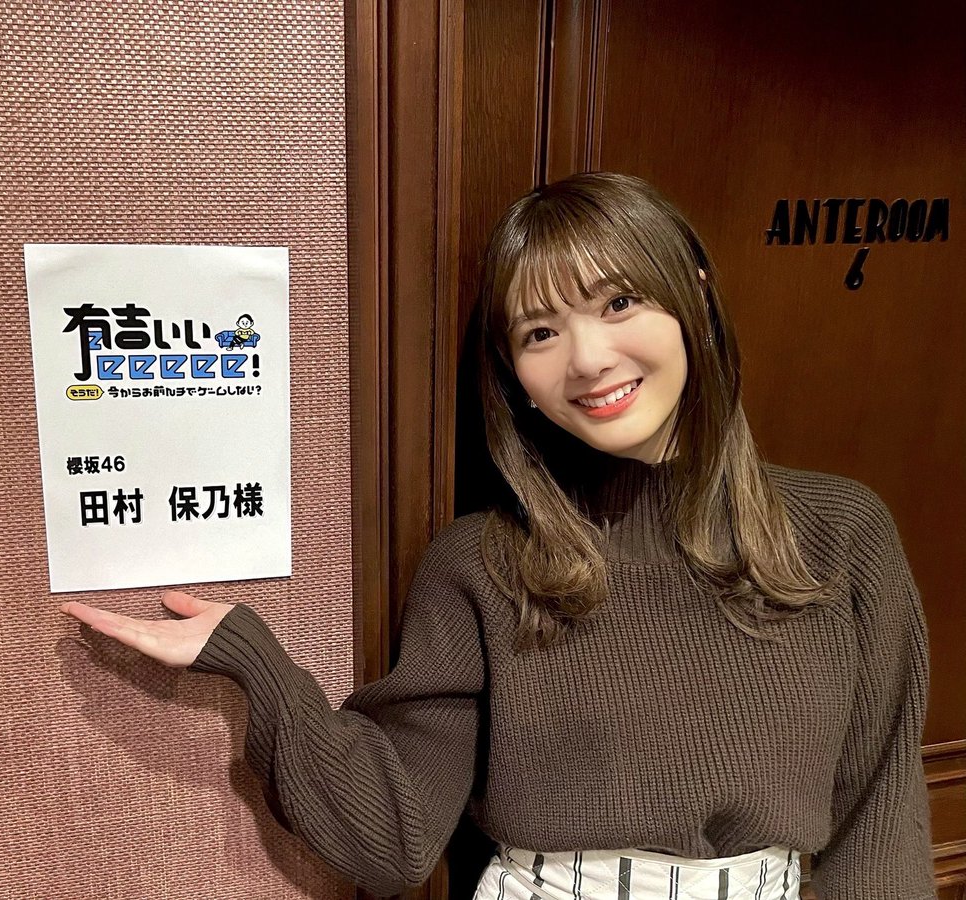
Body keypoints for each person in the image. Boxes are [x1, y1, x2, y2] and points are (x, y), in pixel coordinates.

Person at [61, 173, 934, 899]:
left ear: (695, 297)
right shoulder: (481, 562)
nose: (587, 358)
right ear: (516, 377)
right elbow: (394, 836)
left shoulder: (841, 533)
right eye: (540, 332)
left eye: (619, 301)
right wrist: (254, 661)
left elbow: (882, 825)